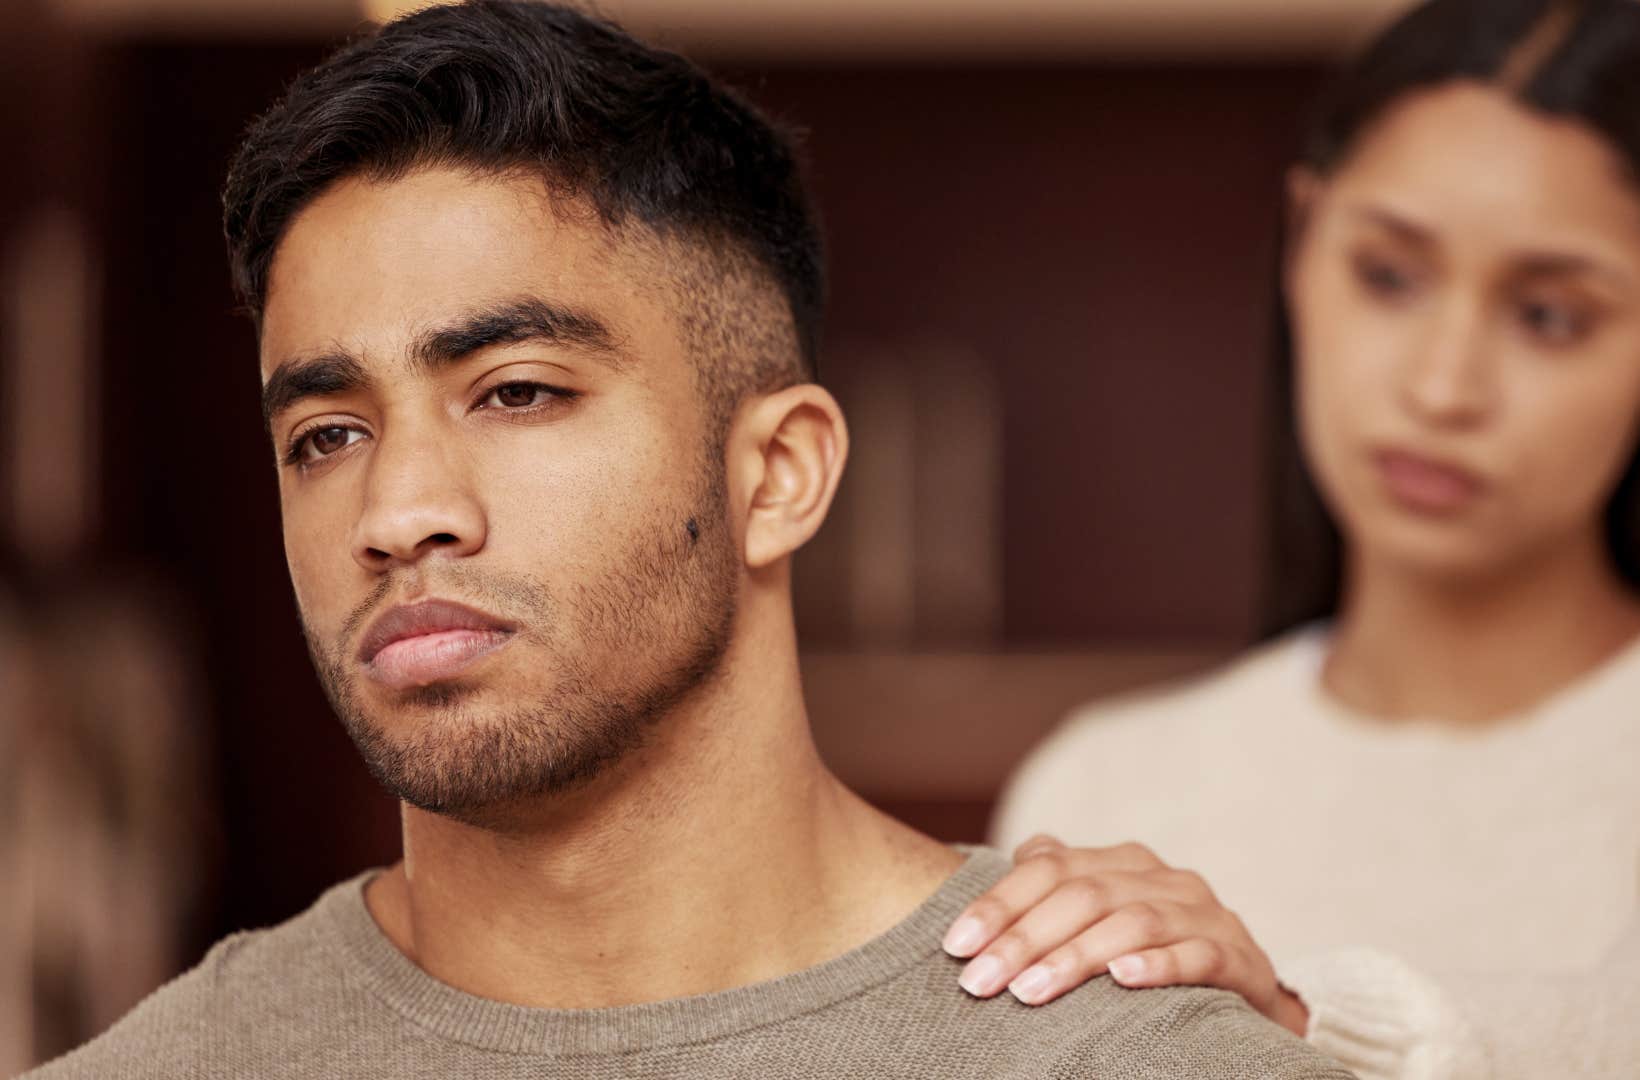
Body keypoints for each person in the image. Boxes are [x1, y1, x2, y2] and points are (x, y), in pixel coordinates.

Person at [23, 4, 1357, 1078]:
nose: (395, 510)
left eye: (518, 392)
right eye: (325, 433)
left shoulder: (1130, 1058)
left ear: (776, 474)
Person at [945, 1, 1640, 1077]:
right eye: (1389, 277)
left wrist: (1293, 1023)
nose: (1443, 385)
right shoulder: (1099, 785)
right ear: (1302, 243)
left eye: (1549, 315)